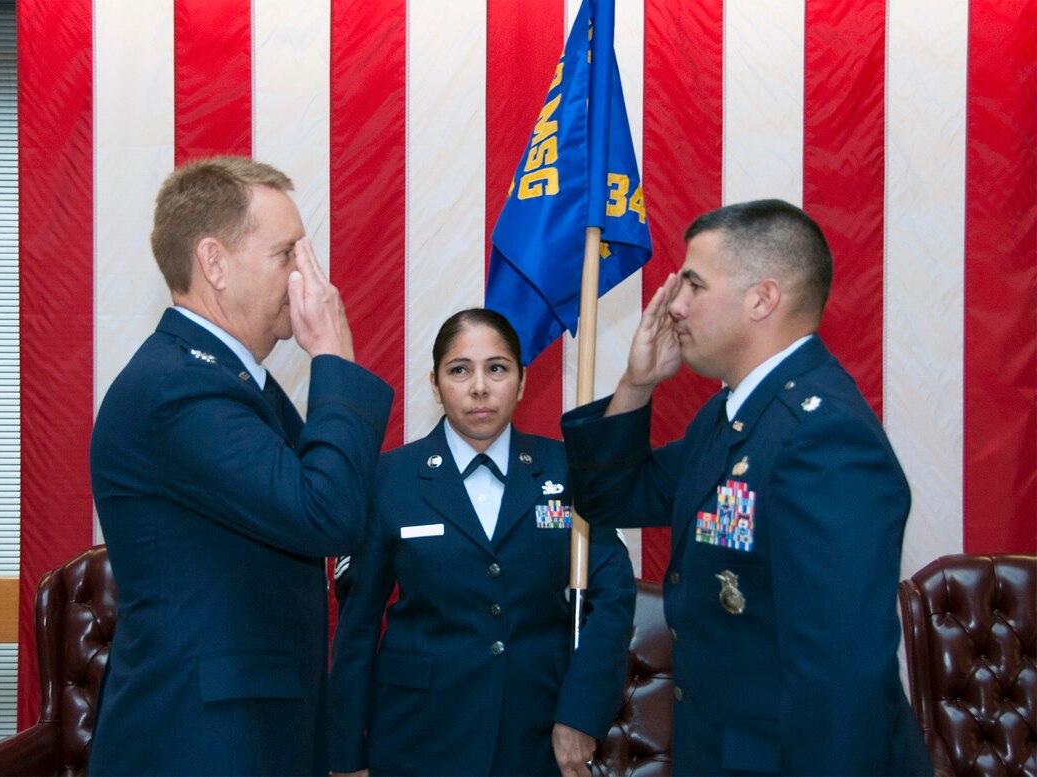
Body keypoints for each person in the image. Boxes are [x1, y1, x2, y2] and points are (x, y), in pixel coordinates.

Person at [560, 200, 933, 776]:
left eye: (693, 285)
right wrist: (636, 385)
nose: (675, 307)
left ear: (762, 299)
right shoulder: (732, 417)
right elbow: (612, 499)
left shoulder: (822, 436)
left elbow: (841, 677)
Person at [88, 156, 393, 775]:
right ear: (214, 263)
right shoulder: (180, 388)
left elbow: (347, 501)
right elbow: (325, 512)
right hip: (202, 741)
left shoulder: (231, 381)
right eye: (288, 255)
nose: (312, 279)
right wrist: (333, 355)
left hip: (257, 729)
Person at [329, 309, 636, 777]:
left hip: (538, 738)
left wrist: (581, 713)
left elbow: (612, 598)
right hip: (419, 738)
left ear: (522, 379)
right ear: (435, 383)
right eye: (460, 370)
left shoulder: (567, 471)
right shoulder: (388, 479)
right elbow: (357, 627)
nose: (479, 387)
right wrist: (345, 756)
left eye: (497, 368)